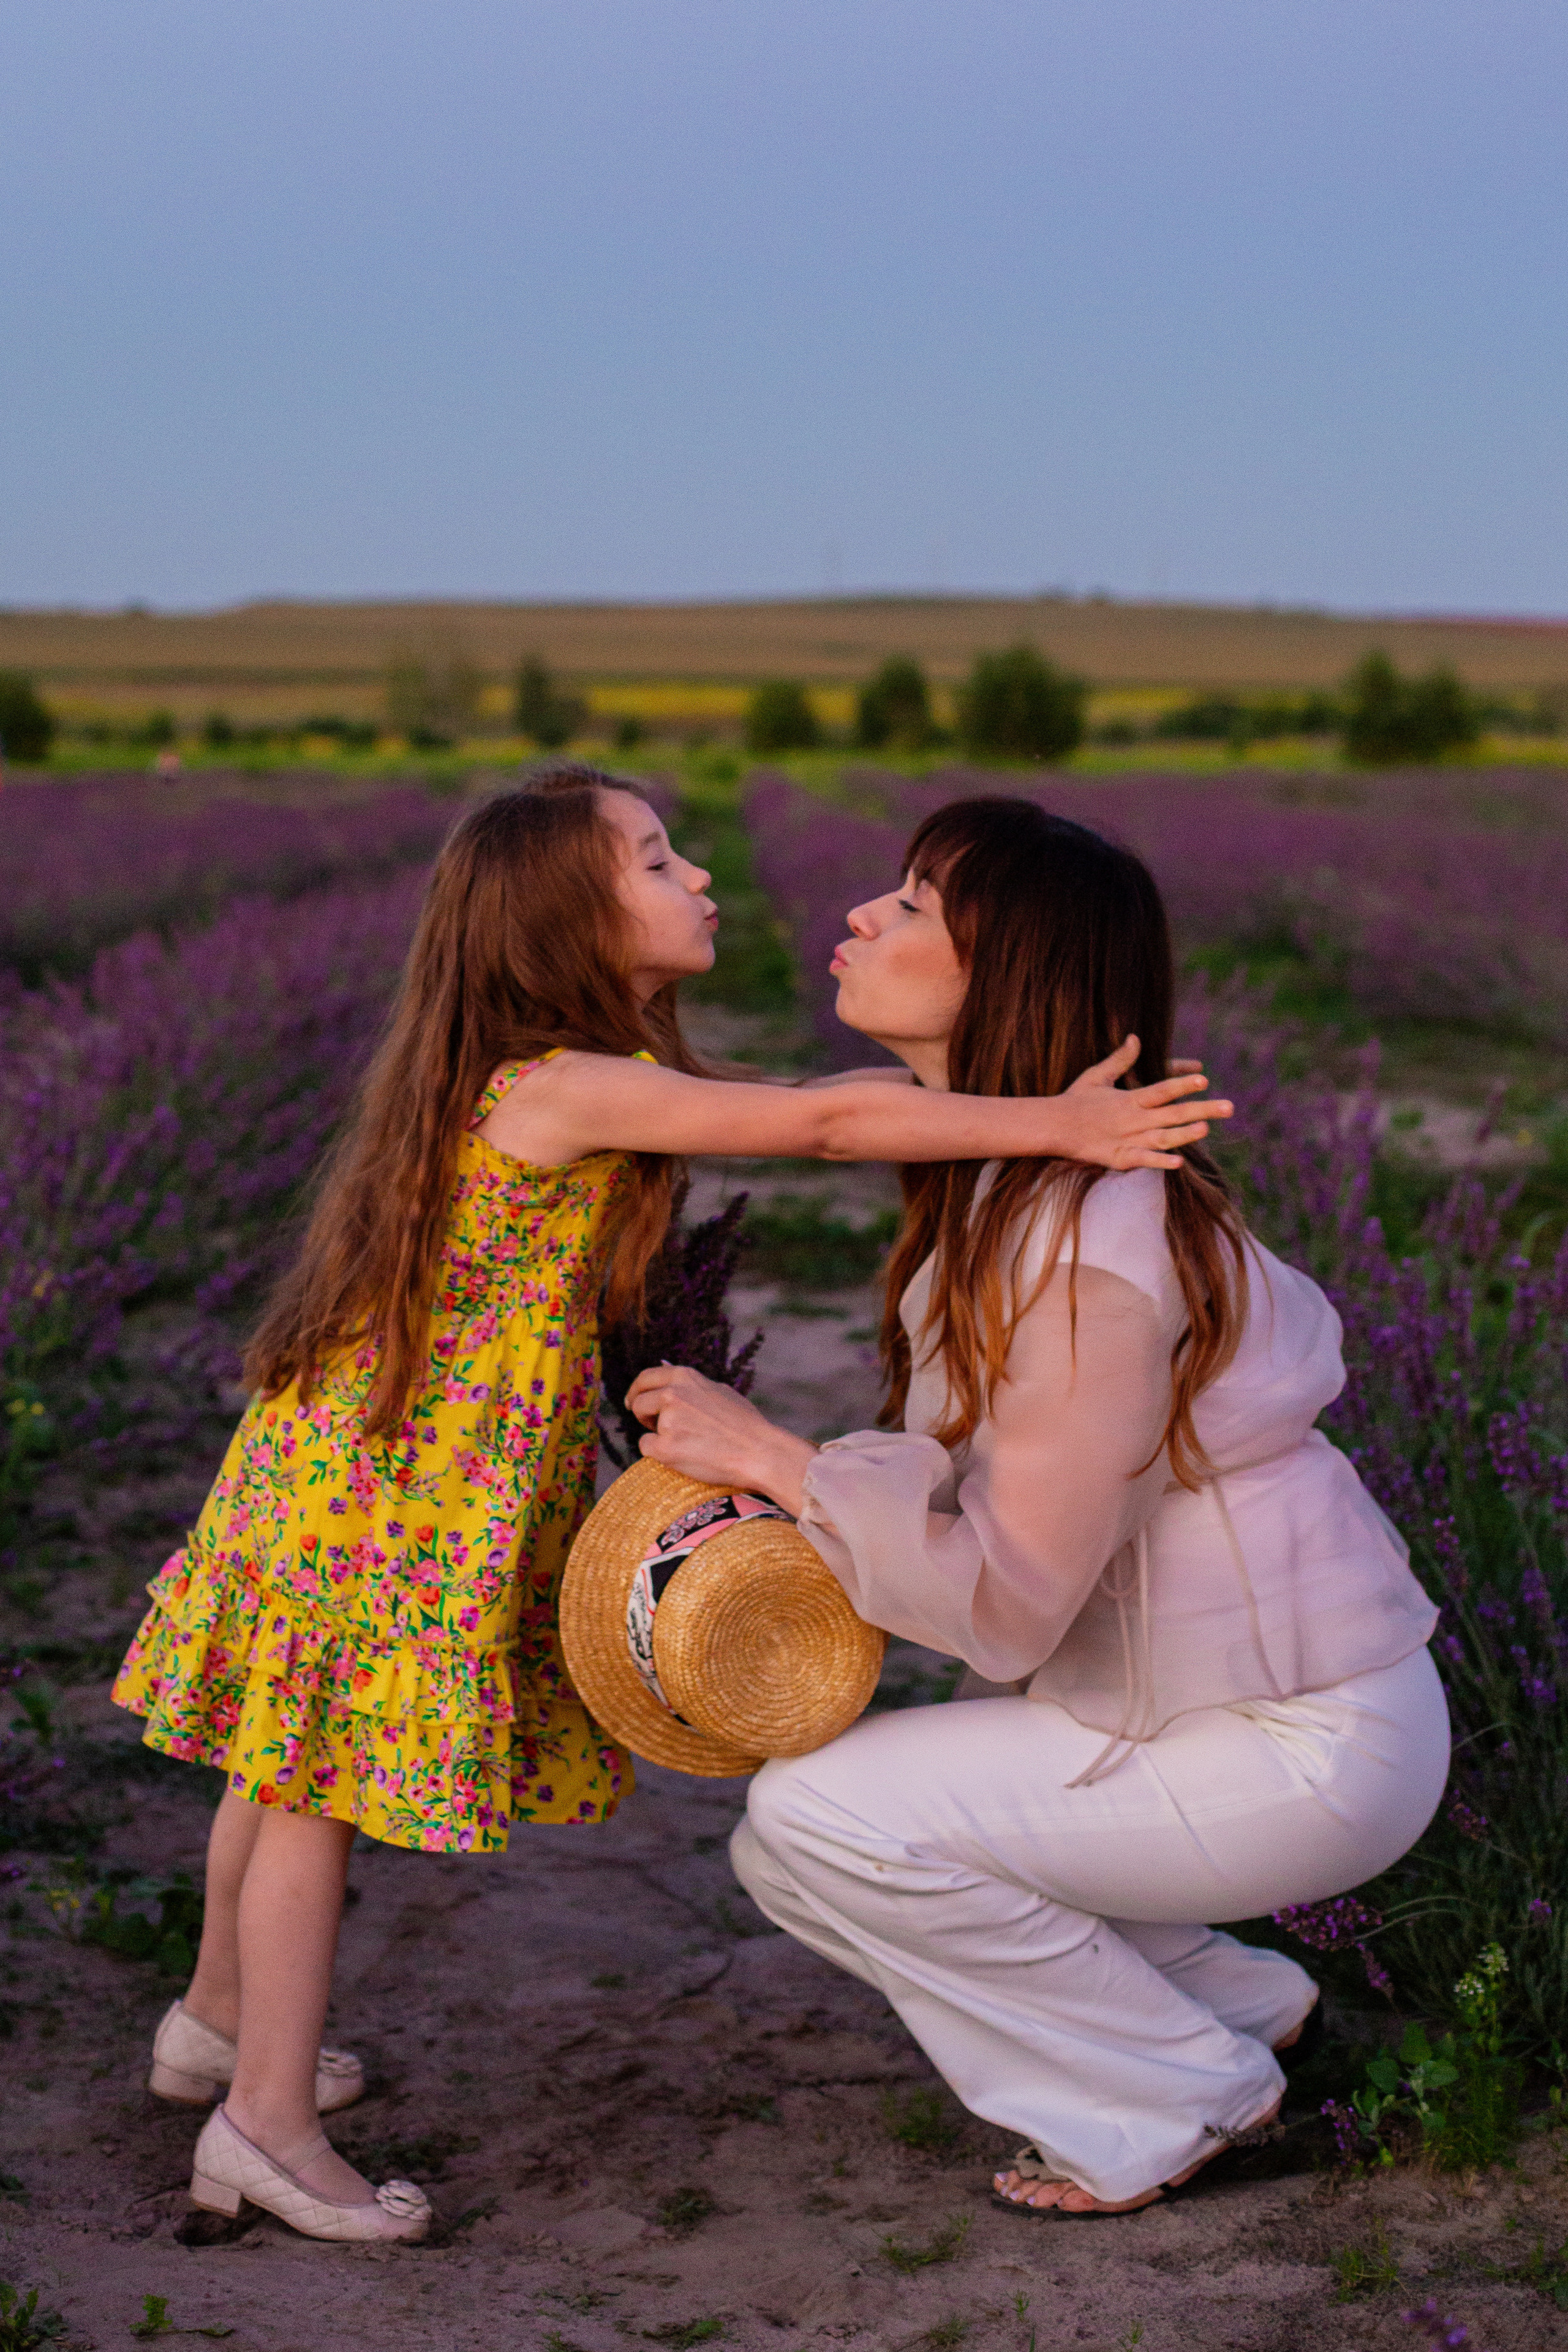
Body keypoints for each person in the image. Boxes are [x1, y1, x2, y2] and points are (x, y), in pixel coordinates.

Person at [111, 768, 1231, 2244]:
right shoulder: (559, 1085)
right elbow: (825, 1130)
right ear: (567, 922)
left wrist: (994, 1104)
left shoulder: (551, 1074)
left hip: (327, 1465)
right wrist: (1059, 1125)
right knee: (314, 1791)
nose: (699, 875)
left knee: (274, 1764)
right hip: (389, 1496)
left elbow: (817, 1105)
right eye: (653, 860)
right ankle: (264, 2121)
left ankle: (211, 2024)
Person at [627, 794, 1449, 2218]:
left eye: (912, 904)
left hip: (1295, 1745)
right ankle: (1238, 2009)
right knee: (790, 1848)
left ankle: (1176, 2099)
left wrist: (775, 1462)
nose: (859, 914)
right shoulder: (1014, 1188)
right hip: (1194, 1708)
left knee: (823, 1815)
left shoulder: (1082, 1258)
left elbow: (1008, 1608)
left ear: (1005, 973)